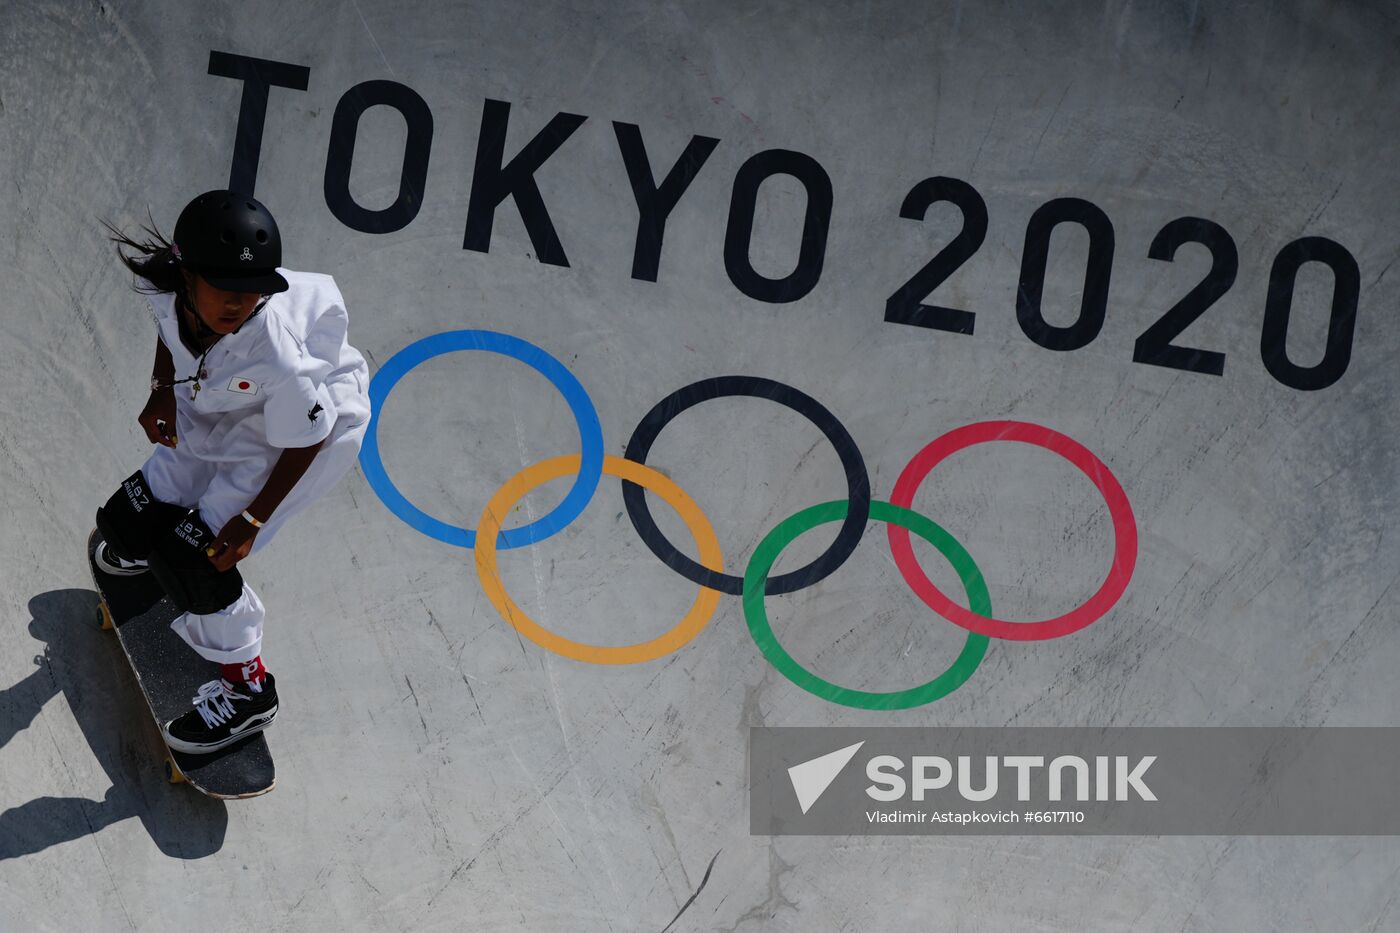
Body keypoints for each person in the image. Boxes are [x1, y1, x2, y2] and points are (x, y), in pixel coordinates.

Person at [96, 190, 370, 753]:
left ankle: (249, 692)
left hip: (299, 432)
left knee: (196, 562)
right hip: (224, 394)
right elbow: (170, 328)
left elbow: (308, 440)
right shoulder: (166, 287)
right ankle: (156, 551)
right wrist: (161, 389)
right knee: (127, 524)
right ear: (186, 276)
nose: (238, 303)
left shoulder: (280, 352)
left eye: (251, 291)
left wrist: (250, 520)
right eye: (224, 287)